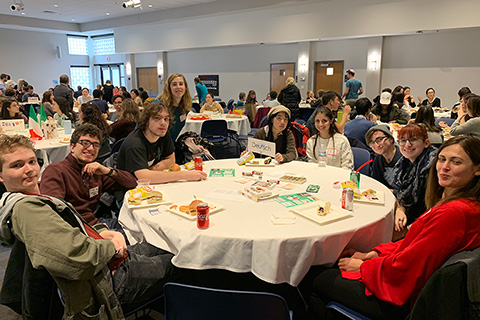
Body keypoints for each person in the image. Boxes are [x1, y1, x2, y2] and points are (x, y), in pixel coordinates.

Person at [0, 134, 177, 319]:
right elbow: (75, 258)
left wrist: (101, 231)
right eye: (17, 165)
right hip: (105, 279)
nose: (29, 169)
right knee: (181, 260)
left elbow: (132, 182)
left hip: (102, 258)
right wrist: (111, 248)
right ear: (1, 176)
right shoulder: (28, 208)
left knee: (164, 244)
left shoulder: (36, 198)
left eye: (31, 161)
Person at [304, 135, 480, 320]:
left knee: (310, 276)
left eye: (456, 162)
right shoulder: (456, 202)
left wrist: (364, 267)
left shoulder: (454, 213)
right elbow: (413, 244)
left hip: (401, 297)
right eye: (442, 159)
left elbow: (410, 266)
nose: (444, 167)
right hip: (402, 278)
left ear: (477, 169)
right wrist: (372, 254)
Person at [40, 124, 136, 225]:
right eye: (85, 143)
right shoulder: (56, 171)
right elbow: (54, 213)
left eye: (95, 145)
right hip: (76, 228)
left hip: (95, 222)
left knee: (136, 229)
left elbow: (132, 183)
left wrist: (108, 171)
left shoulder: (95, 172)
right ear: (72, 147)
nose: (91, 148)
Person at [117, 102, 207, 184]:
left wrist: (151, 171)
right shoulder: (135, 143)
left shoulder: (162, 133)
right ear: (146, 121)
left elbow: (171, 160)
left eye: (166, 119)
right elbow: (144, 177)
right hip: (127, 191)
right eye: (157, 118)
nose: (163, 123)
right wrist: (185, 175)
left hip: (146, 185)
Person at [393, 124, 437, 238]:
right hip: (408, 215)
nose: (407, 145)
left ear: (426, 143)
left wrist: (407, 230)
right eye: (403, 140)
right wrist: (400, 209)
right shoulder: (403, 164)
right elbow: (400, 193)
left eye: (413, 140)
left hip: (427, 224)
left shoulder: (433, 168)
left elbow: (433, 208)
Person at [306, 106, 354, 170]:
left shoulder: (342, 140)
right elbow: (311, 165)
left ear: (331, 121)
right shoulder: (311, 141)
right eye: (317, 121)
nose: (320, 124)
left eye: (324, 121)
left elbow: (347, 166)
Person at [157, 73, 192, 142]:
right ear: (169, 88)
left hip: (170, 145)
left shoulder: (185, 107)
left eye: (181, 84)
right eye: (174, 84)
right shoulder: (158, 105)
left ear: (185, 87)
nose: (178, 87)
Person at [365, 125, 402, 190]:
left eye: (379, 139)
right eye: (372, 142)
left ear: (390, 139)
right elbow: (376, 182)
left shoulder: (403, 157)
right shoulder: (378, 159)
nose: (377, 145)